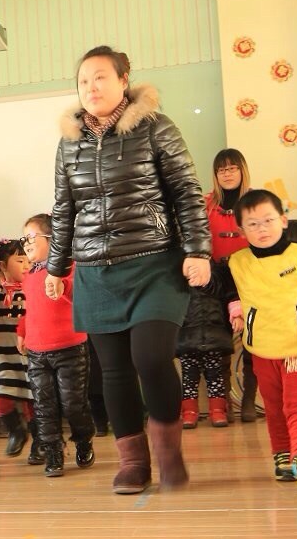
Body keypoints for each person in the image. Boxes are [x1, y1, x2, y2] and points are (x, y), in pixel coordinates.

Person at [48, 45, 212, 494]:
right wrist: (56, 266)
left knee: (151, 358)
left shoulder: (156, 127)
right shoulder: (69, 142)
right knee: (115, 370)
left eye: (100, 77)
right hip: (95, 271)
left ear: (124, 80)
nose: (91, 87)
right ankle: (133, 462)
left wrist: (198, 250)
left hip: (154, 262)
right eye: (83, 80)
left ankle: (169, 454)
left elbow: (187, 191)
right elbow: (64, 209)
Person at [224, 190, 297, 492]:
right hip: (262, 350)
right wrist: (234, 309)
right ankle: (284, 455)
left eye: (268, 220)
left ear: (283, 220)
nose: (262, 229)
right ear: (241, 230)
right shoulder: (236, 262)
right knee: (274, 408)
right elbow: (224, 290)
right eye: (253, 224)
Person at [16, 214, 95, 476]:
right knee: (43, 406)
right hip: (37, 353)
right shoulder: (28, 276)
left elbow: (82, 298)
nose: (26, 243)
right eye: (24, 238)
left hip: (71, 349)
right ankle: (53, 451)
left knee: (73, 404)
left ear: (52, 239)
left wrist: (64, 286)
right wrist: (22, 332)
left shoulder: (70, 268)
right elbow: (30, 310)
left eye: (31, 237)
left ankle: (83, 439)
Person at [0, 238, 40, 460]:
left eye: (28, 260)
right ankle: (15, 430)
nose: (26, 265)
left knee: (34, 402)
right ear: (3, 265)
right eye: (19, 261)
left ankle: (39, 442)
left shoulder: (34, 287)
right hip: (4, 357)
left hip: (32, 356)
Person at [206, 148, 258, 422]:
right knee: (219, 341)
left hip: (250, 278)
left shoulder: (256, 201)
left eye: (232, 168)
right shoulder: (205, 204)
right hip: (215, 280)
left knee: (253, 339)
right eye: (221, 170)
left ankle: (249, 400)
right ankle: (223, 400)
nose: (227, 174)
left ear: (242, 170)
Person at [176, 269, 235, 428]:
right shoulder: (179, 273)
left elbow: (226, 296)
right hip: (188, 334)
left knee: (215, 375)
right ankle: (189, 412)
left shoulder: (216, 271)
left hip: (213, 331)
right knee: (189, 377)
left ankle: (218, 410)